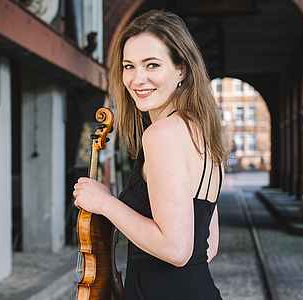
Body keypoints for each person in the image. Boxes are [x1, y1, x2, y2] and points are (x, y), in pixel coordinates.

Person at [73, 10, 226, 299]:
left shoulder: (161, 135)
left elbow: (178, 250)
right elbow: (208, 246)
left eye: (152, 65)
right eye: (128, 66)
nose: (137, 79)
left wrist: (105, 203)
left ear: (182, 69)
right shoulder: (202, 133)